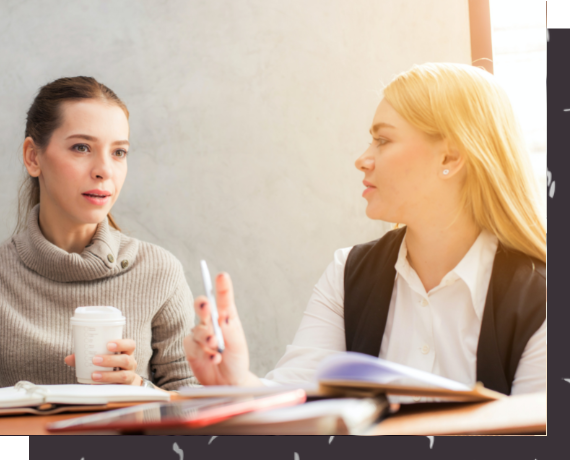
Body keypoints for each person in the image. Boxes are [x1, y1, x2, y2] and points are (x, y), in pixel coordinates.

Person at [184, 63, 546, 396]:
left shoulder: (543, 297)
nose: (362, 159)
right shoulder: (347, 273)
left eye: (383, 140)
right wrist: (237, 382)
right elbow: (296, 401)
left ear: (450, 158)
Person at [0, 77, 196, 390]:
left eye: (119, 152)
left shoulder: (160, 272)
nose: (104, 170)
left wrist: (138, 390)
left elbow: (195, 408)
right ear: (33, 157)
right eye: (82, 148)